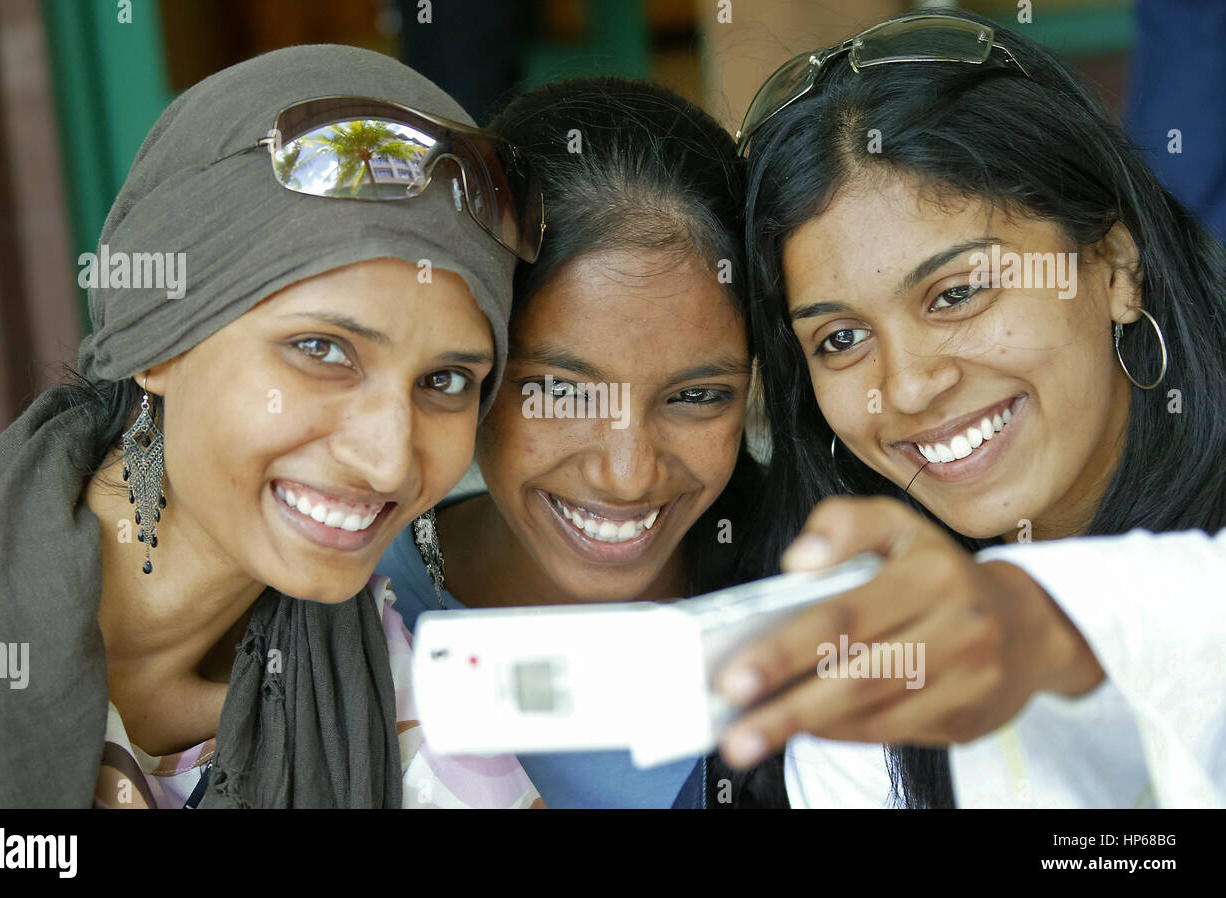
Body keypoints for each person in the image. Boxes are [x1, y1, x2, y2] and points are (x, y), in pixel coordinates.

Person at [0, 44, 544, 808]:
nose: (388, 461)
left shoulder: (396, 710)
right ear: (157, 342)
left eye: (445, 381)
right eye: (322, 350)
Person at [722, 10, 1226, 808]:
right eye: (842, 338)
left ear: (1117, 268)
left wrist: (1040, 622)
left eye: (957, 293)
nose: (910, 385)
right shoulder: (855, 665)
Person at [376, 76, 786, 808]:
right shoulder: (347, 607)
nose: (629, 474)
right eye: (562, 391)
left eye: (697, 396)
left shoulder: (823, 615)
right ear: (478, 361)